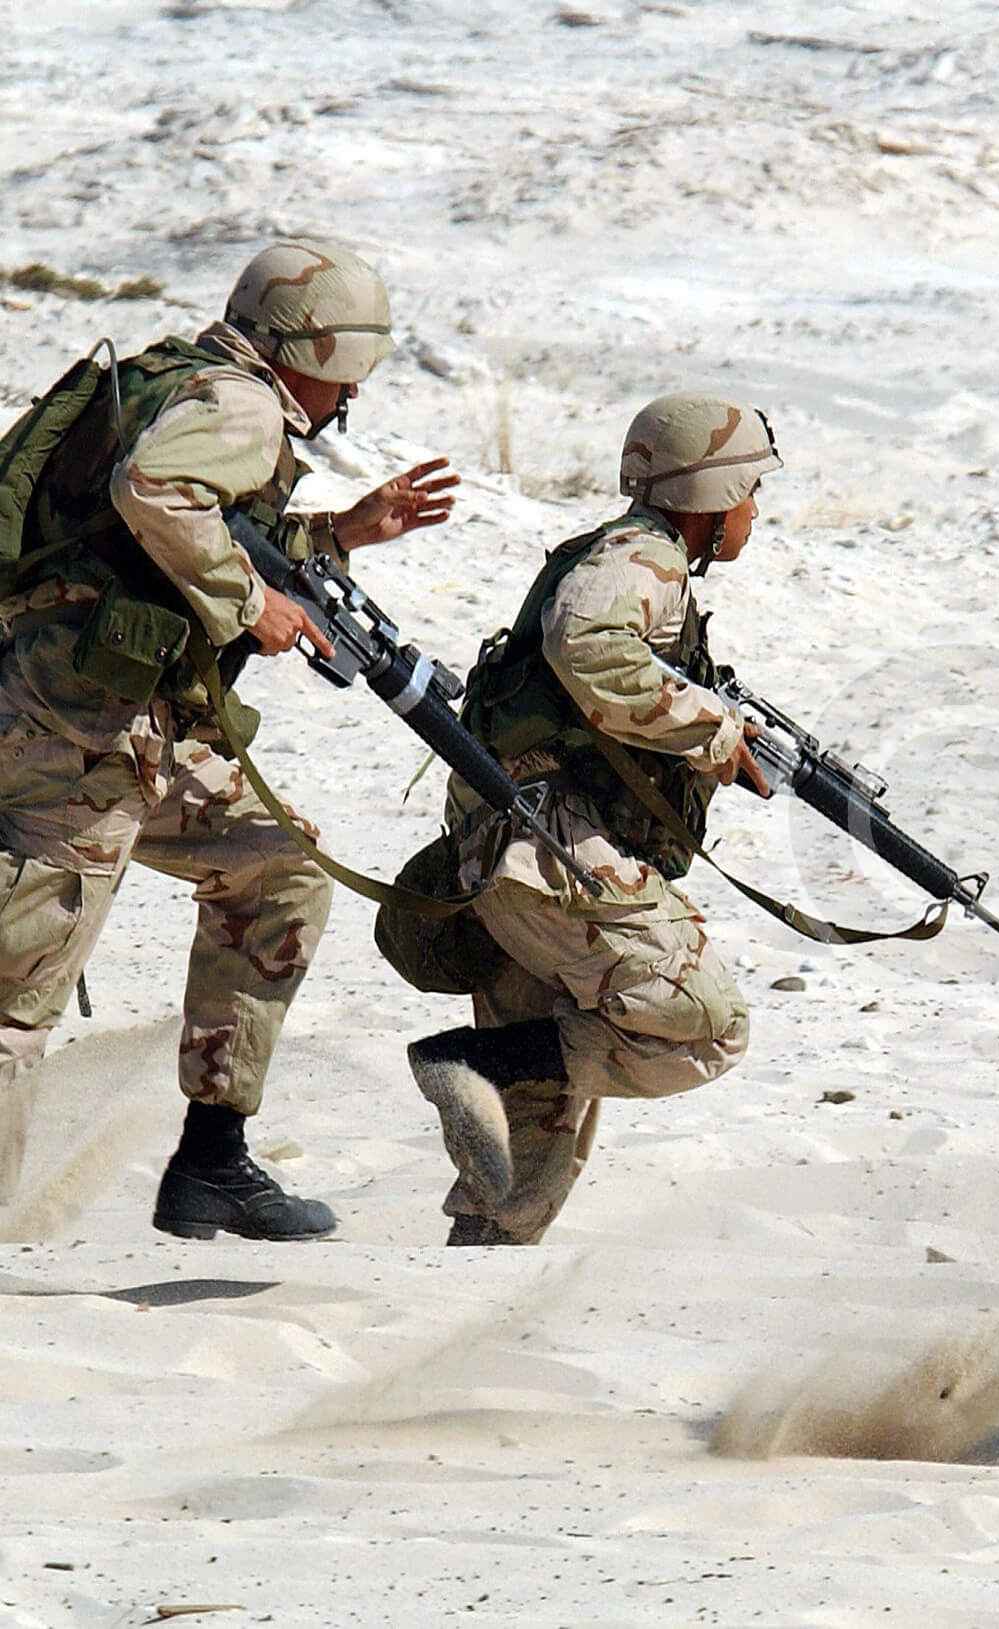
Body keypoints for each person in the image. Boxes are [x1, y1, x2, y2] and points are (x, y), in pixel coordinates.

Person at [0, 239, 457, 1238]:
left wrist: (338, 534)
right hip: (73, 738)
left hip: (133, 731)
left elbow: (175, 537)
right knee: (16, 995)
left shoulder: (185, 379)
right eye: (351, 370)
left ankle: (213, 1163)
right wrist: (252, 605)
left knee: (279, 871)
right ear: (315, 351)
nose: (352, 394)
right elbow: (158, 495)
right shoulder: (242, 406)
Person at [407, 393, 777, 1245]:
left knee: (532, 1128)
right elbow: (588, 644)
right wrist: (714, 730)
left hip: (520, 858)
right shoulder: (644, 558)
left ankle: (470, 1282)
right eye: (750, 490)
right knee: (707, 1025)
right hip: (554, 860)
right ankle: (465, 1060)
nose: (755, 511)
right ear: (713, 495)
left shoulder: (617, 554)